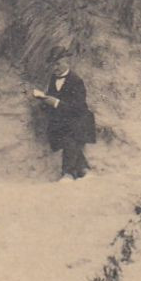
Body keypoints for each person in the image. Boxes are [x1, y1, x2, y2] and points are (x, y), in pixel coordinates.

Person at [30, 48, 95, 181]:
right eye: (53, 64)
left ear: (67, 62)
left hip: (79, 119)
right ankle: (84, 169)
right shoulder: (54, 79)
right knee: (67, 139)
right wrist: (44, 101)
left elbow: (78, 107)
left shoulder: (76, 81)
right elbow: (53, 98)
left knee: (69, 140)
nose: (55, 68)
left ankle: (68, 173)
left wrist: (56, 103)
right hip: (63, 120)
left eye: (58, 64)